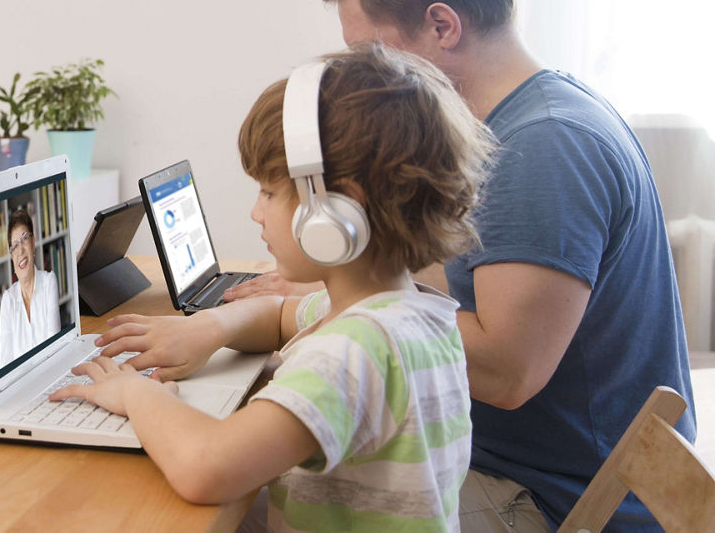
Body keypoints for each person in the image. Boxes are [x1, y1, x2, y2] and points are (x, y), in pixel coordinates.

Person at [228, 0, 695, 531]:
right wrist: (316, 292)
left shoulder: (544, 147)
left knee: (235, 503)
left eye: (368, 51)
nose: (359, 76)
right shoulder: (522, 120)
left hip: (551, 499)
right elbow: (448, 287)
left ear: (442, 25)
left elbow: (506, 372)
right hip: (525, 466)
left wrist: (320, 318)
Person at [55, 43, 494, 531]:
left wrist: (136, 395)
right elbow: (282, 315)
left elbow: (208, 468)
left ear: (336, 210)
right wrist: (212, 326)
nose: (255, 212)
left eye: (268, 191)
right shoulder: (408, 312)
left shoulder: (350, 352)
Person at [0, 209, 60, 364]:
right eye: (14, 246)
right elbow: (5, 363)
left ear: (33, 244)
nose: (20, 250)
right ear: (11, 256)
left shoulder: (48, 282)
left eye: (24, 239)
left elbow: (55, 350)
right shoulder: (8, 299)